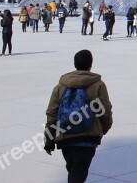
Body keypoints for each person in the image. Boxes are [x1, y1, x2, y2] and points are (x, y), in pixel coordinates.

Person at [44, 49, 113, 183]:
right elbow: (104, 110)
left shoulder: (60, 86)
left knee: (73, 171)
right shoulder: (98, 84)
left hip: (65, 137)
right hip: (88, 137)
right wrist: (103, 129)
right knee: (78, 174)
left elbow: (52, 114)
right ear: (90, 64)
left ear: (75, 63)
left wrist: (49, 139)